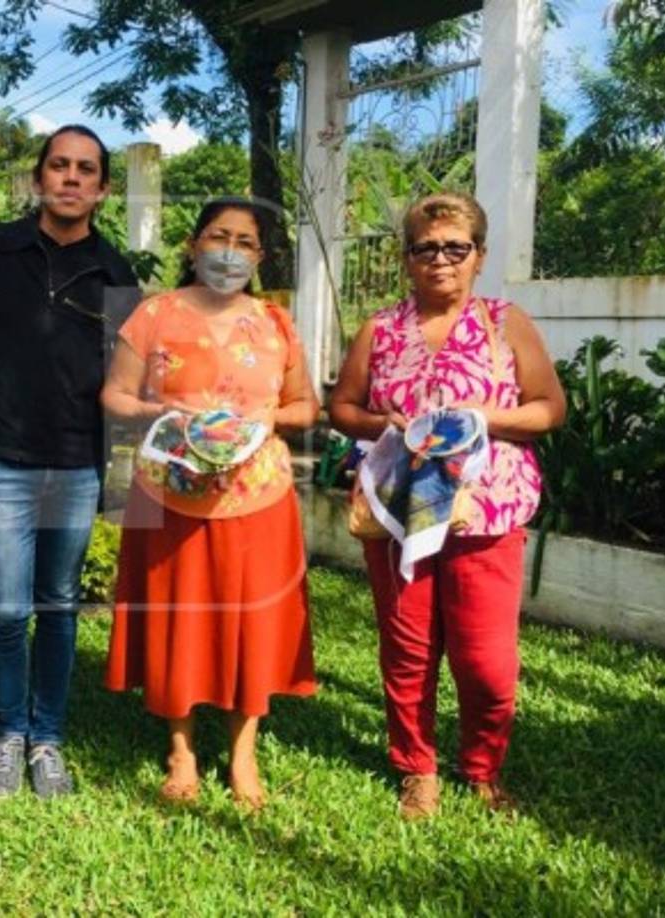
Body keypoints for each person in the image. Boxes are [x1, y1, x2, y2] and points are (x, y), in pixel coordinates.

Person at [329, 191, 566, 820]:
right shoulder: (380, 329)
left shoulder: (505, 323)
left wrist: (484, 417)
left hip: (485, 510)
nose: (441, 259)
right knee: (407, 648)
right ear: (406, 258)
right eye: (425, 248)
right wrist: (381, 421)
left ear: (479, 256)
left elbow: (550, 407)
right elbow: (341, 408)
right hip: (400, 509)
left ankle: (481, 766)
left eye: (456, 248)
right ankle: (417, 768)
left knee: (486, 659)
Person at [102, 198, 321, 809]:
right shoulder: (155, 314)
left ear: (260, 255)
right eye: (218, 237)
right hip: (170, 493)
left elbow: (306, 406)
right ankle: (182, 748)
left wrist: (269, 418)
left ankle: (243, 751)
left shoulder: (276, 323)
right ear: (193, 245)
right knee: (179, 618)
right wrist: (159, 410)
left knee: (250, 621)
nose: (230, 251)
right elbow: (114, 396)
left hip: (258, 497)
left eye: (245, 242)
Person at [0, 125, 140, 798]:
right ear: (38, 178)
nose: (70, 178)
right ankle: (9, 733)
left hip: (75, 462)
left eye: (85, 169)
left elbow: (129, 376)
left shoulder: (115, 272)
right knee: (7, 609)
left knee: (59, 605)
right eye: (59, 165)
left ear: (102, 188)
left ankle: (48, 739)